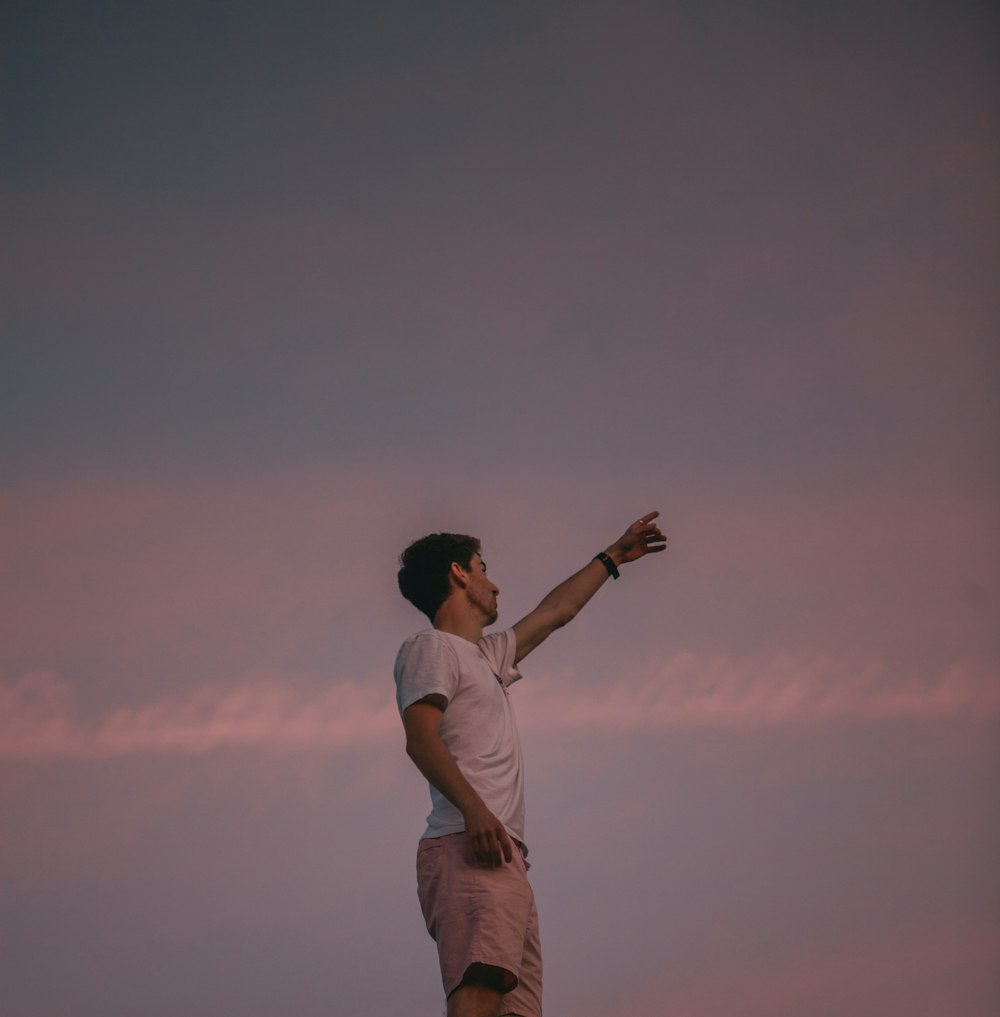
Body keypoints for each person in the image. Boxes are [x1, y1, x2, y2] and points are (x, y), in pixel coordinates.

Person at [394, 511, 667, 1017]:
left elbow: (556, 611)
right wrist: (476, 812)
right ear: (459, 573)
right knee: (478, 992)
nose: (494, 584)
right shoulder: (431, 647)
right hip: (466, 840)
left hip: (503, 854)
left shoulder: (487, 658)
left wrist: (613, 556)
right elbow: (420, 738)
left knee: (514, 1010)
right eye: (483, 567)